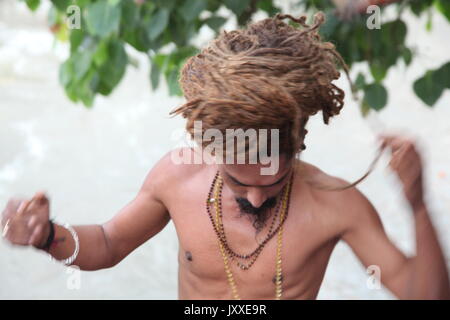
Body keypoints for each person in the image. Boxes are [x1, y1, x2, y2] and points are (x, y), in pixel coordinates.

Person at [2, 12, 449, 300]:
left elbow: (424, 294)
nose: (255, 199)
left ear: (297, 147)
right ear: (211, 150)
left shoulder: (336, 204)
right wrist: (46, 237)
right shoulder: (177, 179)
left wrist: (418, 205)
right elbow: (108, 241)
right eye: (239, 183)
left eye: (271, 181)